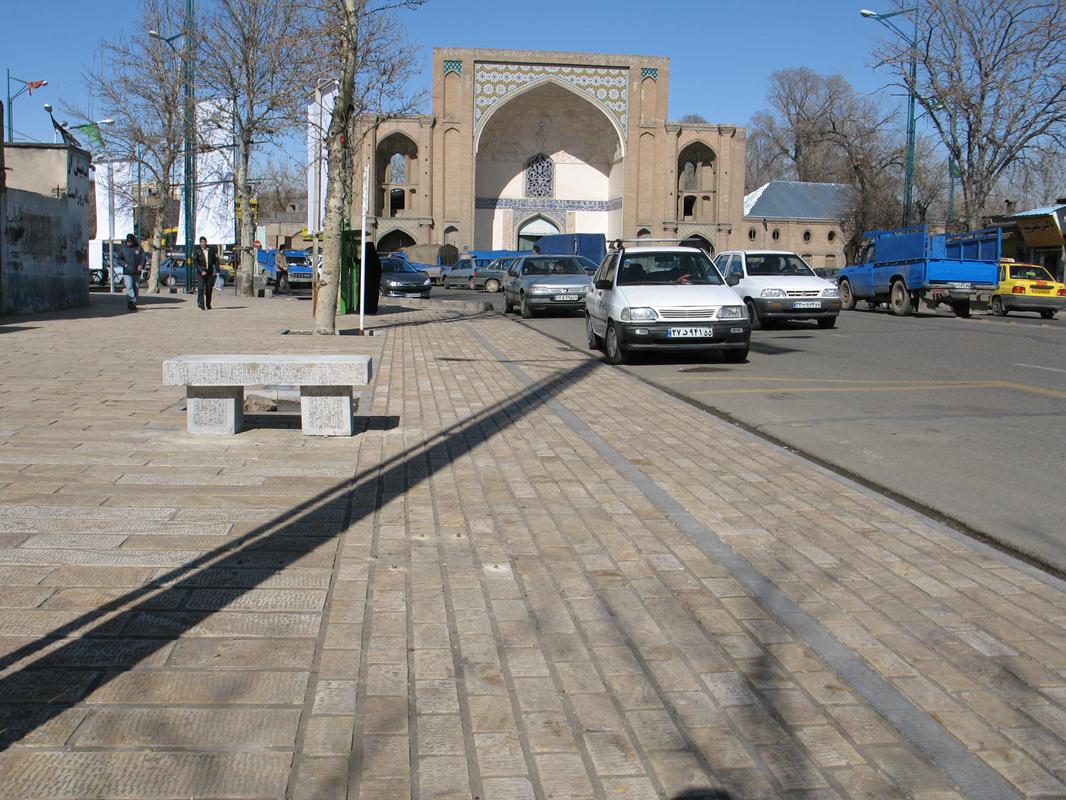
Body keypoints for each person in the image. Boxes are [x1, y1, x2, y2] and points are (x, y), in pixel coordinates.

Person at [114, 234, 145, 312]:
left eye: (131, 242)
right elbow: (118, 259)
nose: (129, 243)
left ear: (134, 241)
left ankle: (133, 304)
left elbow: (143, 258)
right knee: (129, 287)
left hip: (137, 271)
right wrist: (124, 264)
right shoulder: (123, 249)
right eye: (128, 242)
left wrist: (141, 265)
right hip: (127, 271)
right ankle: (131, 300)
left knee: (136, 288)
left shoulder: (138, 248)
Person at [192, 236, 218, 310]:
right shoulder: (197, 251)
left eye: (204, 242)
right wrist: (201, 271)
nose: (203, 243)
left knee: (209, 289)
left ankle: (208, 304)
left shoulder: (211, 250)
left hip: (209, 272)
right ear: (200, 243)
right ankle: (201, 304)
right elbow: (195, 263)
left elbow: (215, 261)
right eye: (202, 242)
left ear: (206, 242)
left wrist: (217, 270)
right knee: (201, 288)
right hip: (201, 273)